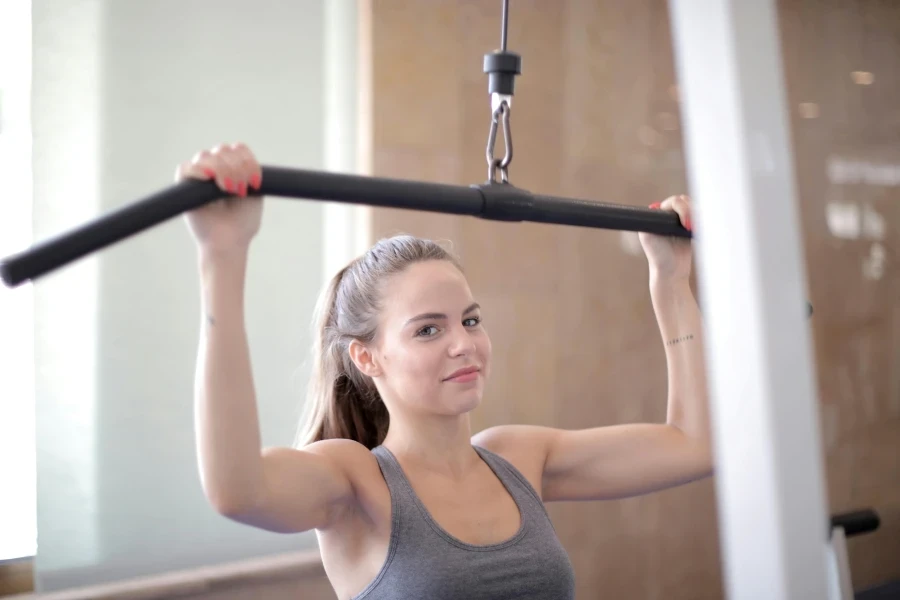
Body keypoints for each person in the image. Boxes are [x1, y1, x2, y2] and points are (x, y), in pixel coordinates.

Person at [178, 142, 713, 600]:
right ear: (367, 358)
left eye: (470, 320)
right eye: (428, 330)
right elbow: (237, 489)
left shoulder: (519, 458)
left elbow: (695, 443)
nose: (464, 344)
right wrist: (221, 257)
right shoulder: (355, 482)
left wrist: (670, 281)